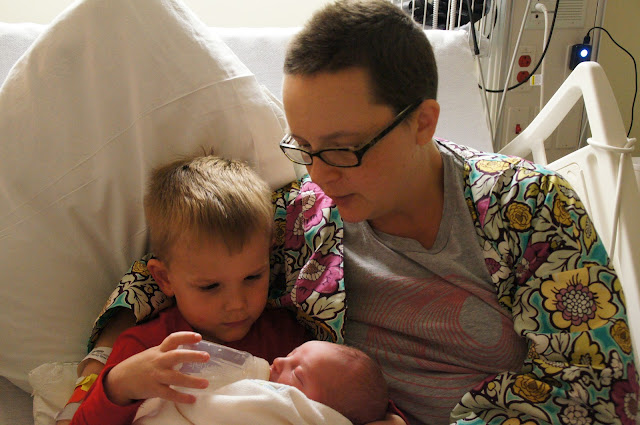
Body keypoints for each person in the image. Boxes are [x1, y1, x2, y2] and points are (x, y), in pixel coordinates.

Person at [61, 1, 638, 424]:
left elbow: (598, 392)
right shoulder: (302, 221)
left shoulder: (529, 208)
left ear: (422, 122)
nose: (318, 174)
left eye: (342, 150)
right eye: (304, 148)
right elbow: (189, 259)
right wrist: (105, 364)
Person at [69, 154, 311, 424]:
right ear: (165, 279)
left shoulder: (289, 342)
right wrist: (120, 385)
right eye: (210, 286)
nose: (236, 304)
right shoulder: (145, 349)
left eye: (253, 277)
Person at [132, 340, 389, 425]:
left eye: (297, 374)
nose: (278, 361)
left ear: (323, 411)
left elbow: (208, 406)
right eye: (290, 354)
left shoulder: (288, 408)